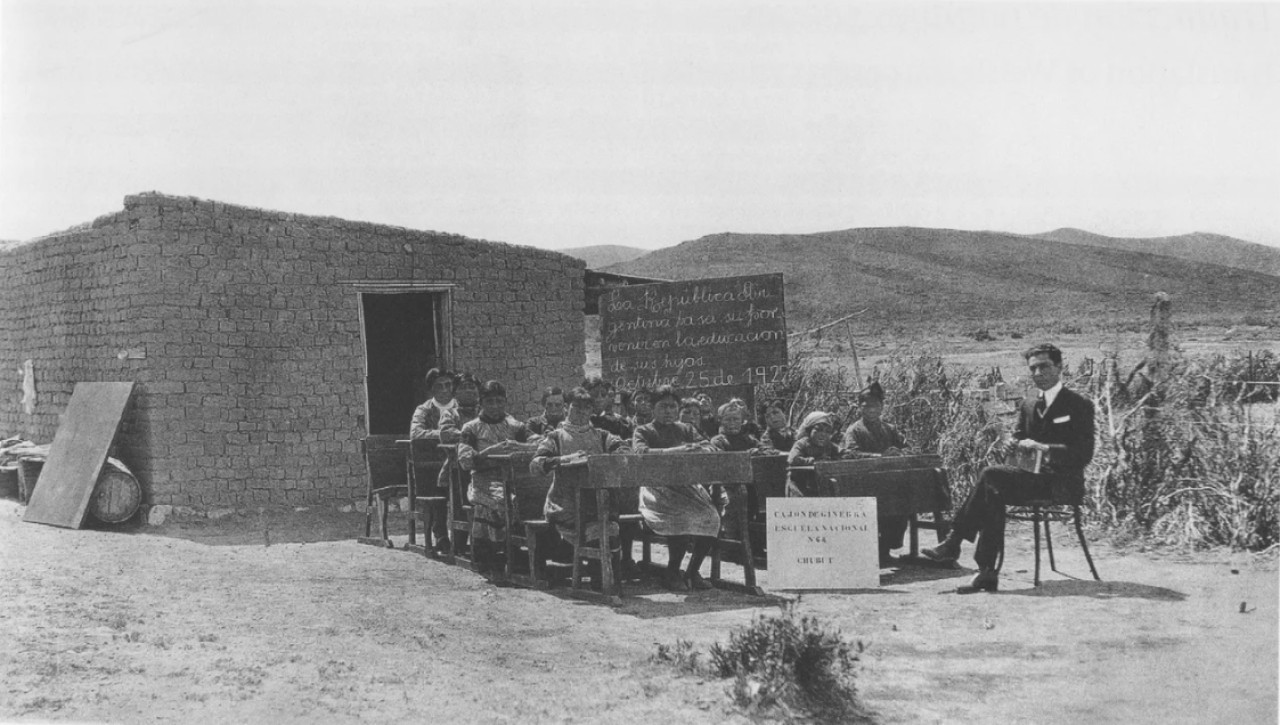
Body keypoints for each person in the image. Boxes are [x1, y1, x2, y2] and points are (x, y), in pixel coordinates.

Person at [923, 343, 1096, 593]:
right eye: (1033, 368)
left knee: (991, 476)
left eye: (1044, 366)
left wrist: (1046, 449)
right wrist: (1010, 446)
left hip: (1061, 483)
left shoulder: (1078, 405)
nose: (1038, 373)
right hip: (1029, 478)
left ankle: (954, 544)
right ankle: (986, 572)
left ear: (1059, 367)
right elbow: (1016, 437)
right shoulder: (1028, 403)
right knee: (993, 491)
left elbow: (1084, 454)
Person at [632, 385, 721, 591]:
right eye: (663, 406)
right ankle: (672, 572)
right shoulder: (643, 430)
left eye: (673, 407)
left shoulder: (686, 429)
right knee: (680, 518)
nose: (668, 411)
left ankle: (692, 571)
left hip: (687, 487)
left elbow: (709, 447)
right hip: (657, 489)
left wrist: (700, 450)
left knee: (712, 517)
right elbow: (641, 453)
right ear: (653, 408)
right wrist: (676, 451)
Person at [532, 387, 629, 548]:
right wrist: (564, 460)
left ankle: (601, 569)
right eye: (576, 407)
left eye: (587, 407)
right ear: (567, 407)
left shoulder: (602, 436)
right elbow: (536, 465)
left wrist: (612, 459)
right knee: (597, 531)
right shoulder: (555, 437)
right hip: (564, 507)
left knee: (610, 530)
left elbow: (624, 450)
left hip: (598, 505)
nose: (581, 412)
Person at [457, 380, 537, 571]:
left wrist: (521, 446)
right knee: (501, 502)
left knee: (533, 497)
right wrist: (491, 452)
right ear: (481, 402)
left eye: (499, 401)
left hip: (513, 479)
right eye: (490, 401)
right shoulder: (471, 428)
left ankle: (523, 551)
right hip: (483, 480)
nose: (495, 406)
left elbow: (541, 442)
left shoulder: (515, 426)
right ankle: (492, 551)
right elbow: (465, 460)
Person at [843, 382, 915, 565]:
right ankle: (875, 552)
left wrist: (900, 453)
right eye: (866, 406)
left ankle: (886, 549)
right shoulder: (854, 430)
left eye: (875, 405)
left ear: (882, 407)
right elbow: (850, 454)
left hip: (890, 483)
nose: (871, 410)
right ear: (860, 407)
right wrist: (879, 457)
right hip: (864, 485)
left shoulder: (889, 429)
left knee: (902, 505)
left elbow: (906, 447)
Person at [785, 411, 846, 497]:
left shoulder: (829, 445)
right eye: (818, 430)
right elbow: (792, 459)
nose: (823, 434)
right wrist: (813, 461)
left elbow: (843, 452)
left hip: (819, 486)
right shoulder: (802, 444)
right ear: (809, 430)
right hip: (799, 487)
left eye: (827, 431)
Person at [409, 368, 455, 440]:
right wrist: (443, 434)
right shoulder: (424, 409)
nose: (444, 390)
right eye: (439, 386)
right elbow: (415, 433)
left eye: (448, 385)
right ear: (431, 389)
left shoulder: (460, 407)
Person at [438, 373, 481, 444]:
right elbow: (447, 434)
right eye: (463, 388)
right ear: (455, 393)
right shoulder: (450, 414)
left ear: (479, 392)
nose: (468, 391)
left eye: (472, 387)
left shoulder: (485, 413)